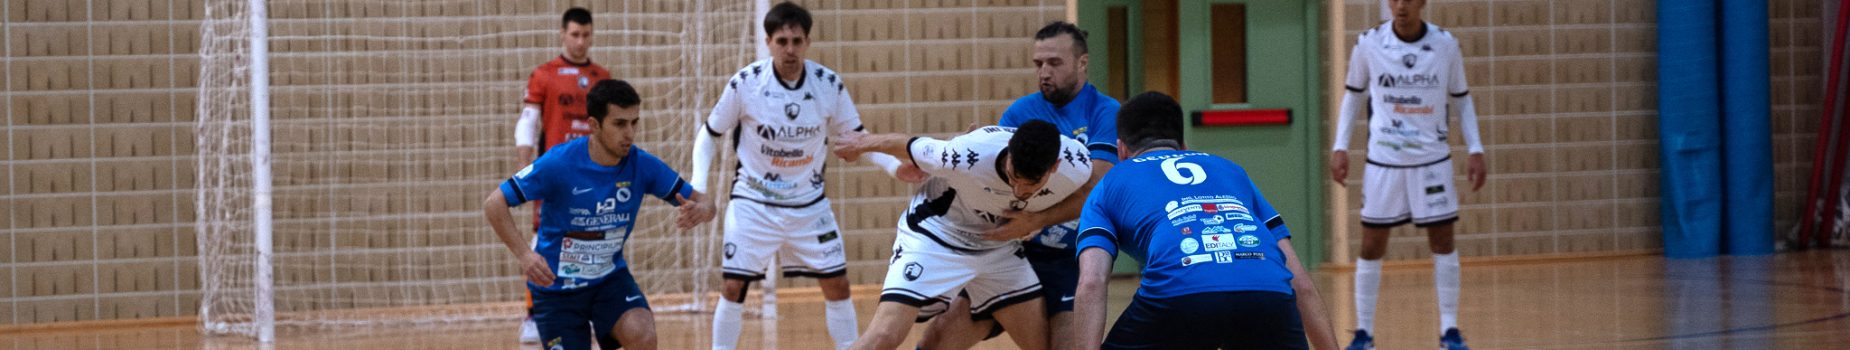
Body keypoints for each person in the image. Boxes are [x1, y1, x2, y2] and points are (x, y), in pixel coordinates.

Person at [689, 2, 916, 349]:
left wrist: (893, 166)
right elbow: (709, 134)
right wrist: (699, 188)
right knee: (733, 287)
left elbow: (858, 138)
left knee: (838, 284)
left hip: (809, 205)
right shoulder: (746, 83)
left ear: (807, 42)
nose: (789, 49)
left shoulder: (828, 84)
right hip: (753, 202)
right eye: (782, 41)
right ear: (768, 42)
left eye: (797, 41)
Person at [1072, 92, 1338, 350]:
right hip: (1269, 293)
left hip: (1179, 294)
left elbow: (1092, 281)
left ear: (1121, 150)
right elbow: (1301, 282)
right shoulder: (1230, 170)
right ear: (1184, 144)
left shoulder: (1109, 183)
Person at [918, 21, 1119, 350]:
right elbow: (998, 181)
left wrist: (1037, 219)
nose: (1044, 73)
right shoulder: (1021, 111)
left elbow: (1096, 188)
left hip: (1071, 259)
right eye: (1038, 64)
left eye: (1054, 63)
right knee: (937, 339)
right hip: (1014, 252)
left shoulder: (1105, 113)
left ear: (1082, 63)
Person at [483, 79, 717, 350]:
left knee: (642, 333)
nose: (629, 133)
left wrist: (703, 210)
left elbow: (705, 202)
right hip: (557, 291)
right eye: (619, 124)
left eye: (634, 122)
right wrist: (525, 254)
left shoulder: (641, 164)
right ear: (594, 125)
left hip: (609, 282)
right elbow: (494, 203)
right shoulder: (559, 163)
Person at [832, 120, 1095, 350]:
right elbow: (908, 144)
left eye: (1031, 185)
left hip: (999, 250)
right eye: (1014, 177)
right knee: (885, 336)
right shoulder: (967, 153)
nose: (1019, 190)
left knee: (1044, 345)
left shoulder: (1077, 165)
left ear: (1055, 167)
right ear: (1010, 154)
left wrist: (1038, 219)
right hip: (936, 237)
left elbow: (1089, 196)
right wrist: (861, 143)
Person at [1328, 0, 1487, 349]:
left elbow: (1461, 98)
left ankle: (1449, 330)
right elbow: (1353, 96)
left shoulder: (1446, 44)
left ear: (1422, 3)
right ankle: (1364, 333)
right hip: (1384, 160)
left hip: (1433, 160)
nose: (1401, 6)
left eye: (1409, 0)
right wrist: (1341, 146)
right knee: (1371, 244)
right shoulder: (1368, 43)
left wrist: (1476, 149)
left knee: (1443, 240)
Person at [512, 8, 609, 342]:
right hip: (556, 173)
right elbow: (528, 121)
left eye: (586, 35)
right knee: (544, 243)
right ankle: (531, 316)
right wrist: (526, 166)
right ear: (563, 34)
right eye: (574, 34)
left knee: (593, 243)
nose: (580, 41)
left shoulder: (602, 77)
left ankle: (588, 314)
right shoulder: (544, 75)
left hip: (595, 174)